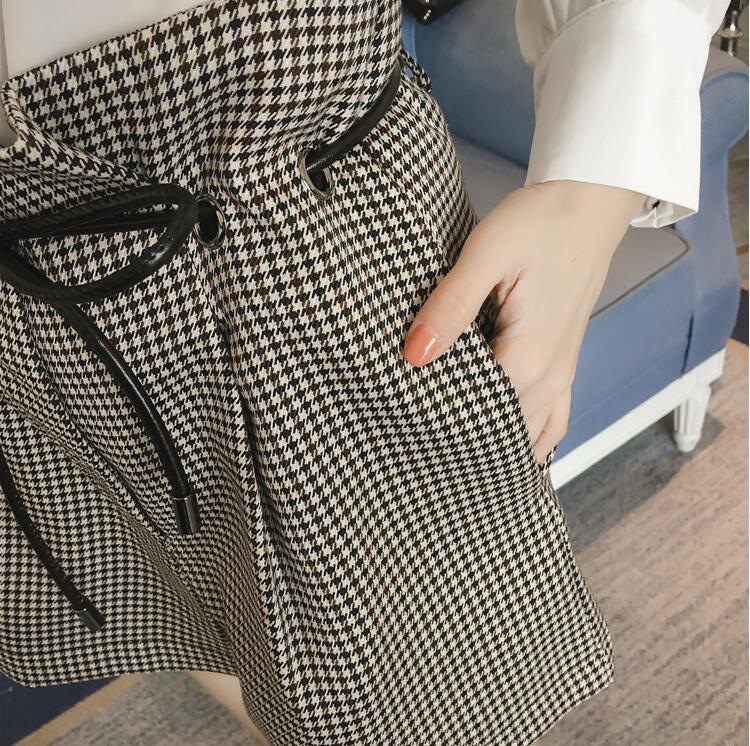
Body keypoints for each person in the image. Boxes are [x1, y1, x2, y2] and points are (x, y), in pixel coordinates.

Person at [0, 2, 728, 745]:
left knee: (429, 693)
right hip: (28, 302)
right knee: (177, 609)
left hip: (318, 252)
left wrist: (595, 190)